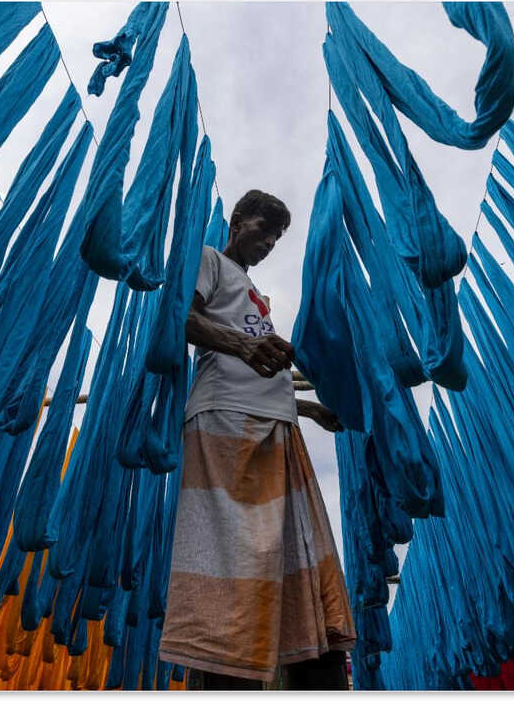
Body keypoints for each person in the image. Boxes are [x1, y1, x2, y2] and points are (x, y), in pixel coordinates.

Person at [158, 189, 357, 690]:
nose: (268, 242)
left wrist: (308, 408)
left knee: (292, 561)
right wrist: (244, 345)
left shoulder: (253, 294)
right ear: (237, 220)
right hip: (227, 422)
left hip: (277, 428)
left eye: (277, 237)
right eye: (263, 228)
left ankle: (308, 671)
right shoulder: (209, 260)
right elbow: (180, 317)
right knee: (235, 555)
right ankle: (226, 670)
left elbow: (256, 369)